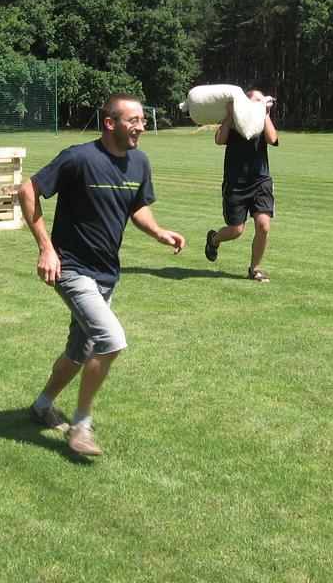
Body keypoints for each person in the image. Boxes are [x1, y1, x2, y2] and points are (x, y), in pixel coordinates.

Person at [18, 93, 185, 456]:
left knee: (80, 351)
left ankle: (41, 407)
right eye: (133, 121)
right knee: (111, 339)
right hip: (72, 269)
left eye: (142, 119)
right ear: (110, 124)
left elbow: (136, 205)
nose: (141, 126)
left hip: (107, 272)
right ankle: (81, 424)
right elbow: (28, 190)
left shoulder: (139, 162)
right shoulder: (79, 158)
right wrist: (46, 247)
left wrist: (158, 232)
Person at [204, 90, 279, 282]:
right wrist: (230, 116)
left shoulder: (262, 120)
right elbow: (219, 140)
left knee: (263, 225)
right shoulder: (236, 122)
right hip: (235, 182)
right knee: (236, 230)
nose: (258, 102)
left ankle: (254, 269)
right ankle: (214, 240)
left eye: (260, 100)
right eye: (255, 100)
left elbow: (272, 139)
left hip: (261, 180)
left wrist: (265, 113)